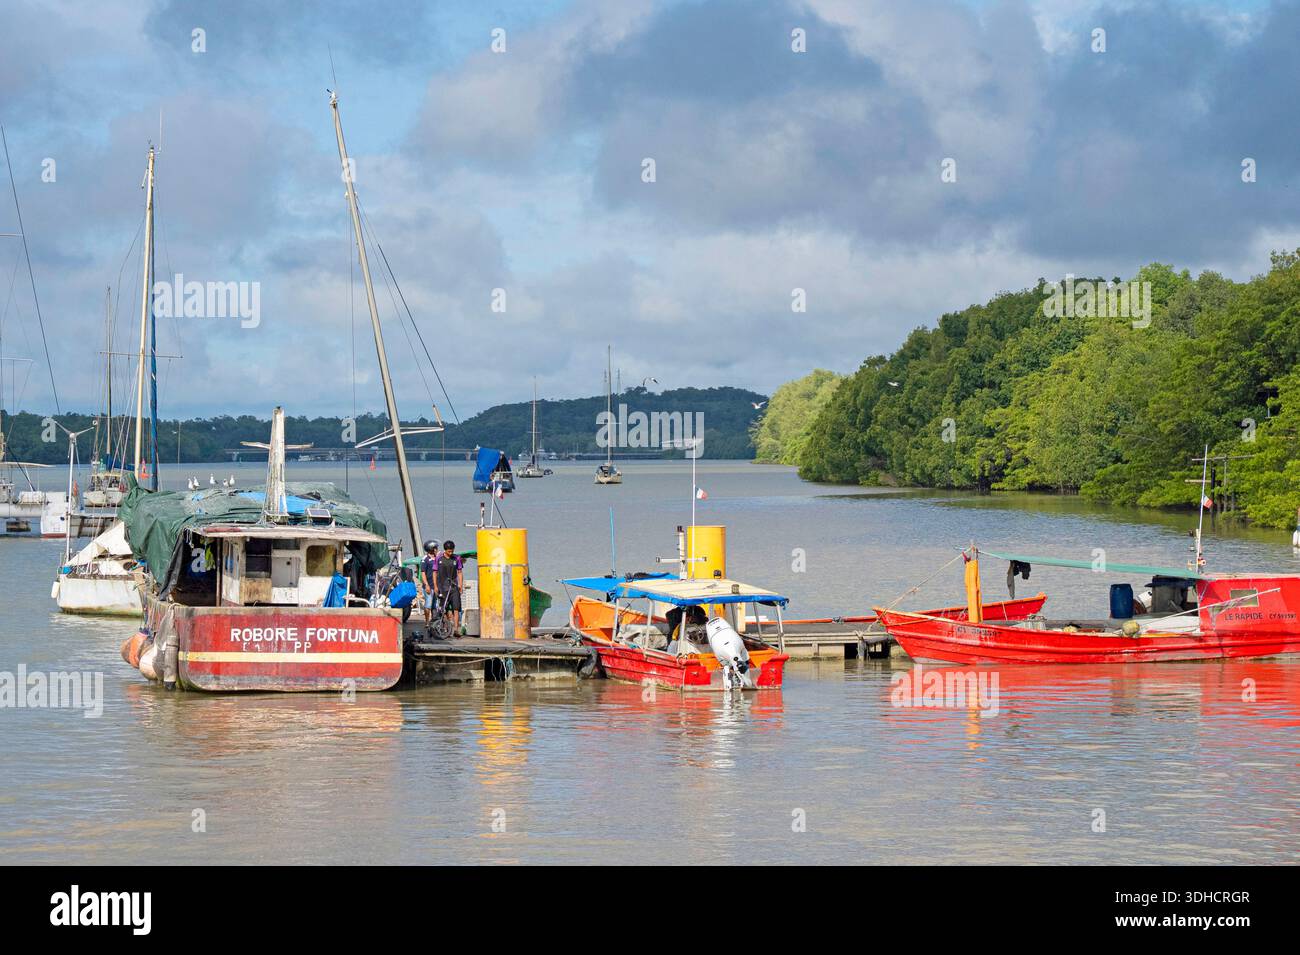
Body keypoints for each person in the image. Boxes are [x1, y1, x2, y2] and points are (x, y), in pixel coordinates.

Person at [434, 539, 465, 634]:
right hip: (442, 587)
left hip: (454, 587)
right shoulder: (439, 558)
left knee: (456, 608)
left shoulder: (457, 558)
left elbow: (459, 572)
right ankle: (447, 627)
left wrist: (460, 585)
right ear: (445, 550)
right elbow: (434, 572)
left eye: (452, 551)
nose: (451, 553)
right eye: (449, 551)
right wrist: (435, 586)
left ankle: (456, 629)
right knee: (445, 609)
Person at [420, 540, 439, 630]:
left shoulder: (437, 558)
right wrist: (426, 584)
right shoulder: (425, 559)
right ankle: (427, 621)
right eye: (435, 548)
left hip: (436, 586)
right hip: (429, 586)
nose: (437, 549)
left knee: (434, 605)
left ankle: (434, 621)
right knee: (428, 604)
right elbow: (423, 573)